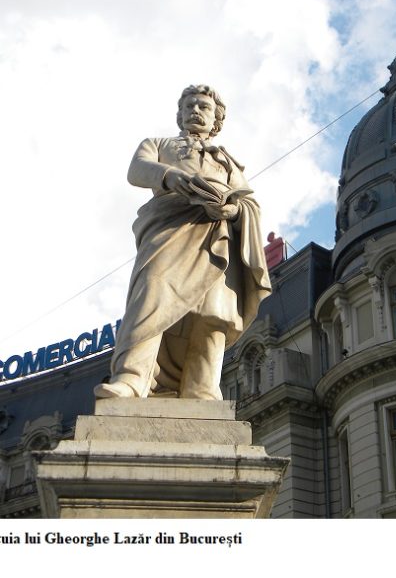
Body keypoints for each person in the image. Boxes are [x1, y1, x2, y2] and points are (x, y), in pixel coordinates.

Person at [94, 84, 271, 399]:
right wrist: (170, 177)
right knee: (151, 295)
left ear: (216, 119)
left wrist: (232, 209)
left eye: (204, 106)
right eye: (189, 105)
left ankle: (202, 390)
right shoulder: (159, 144)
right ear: (179, 114)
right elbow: (137, 170)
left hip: (216, 235)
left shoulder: (228, 162)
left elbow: (248, 202)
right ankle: (132, 380)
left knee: (212, 312)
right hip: (169, 228)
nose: (195, 111)